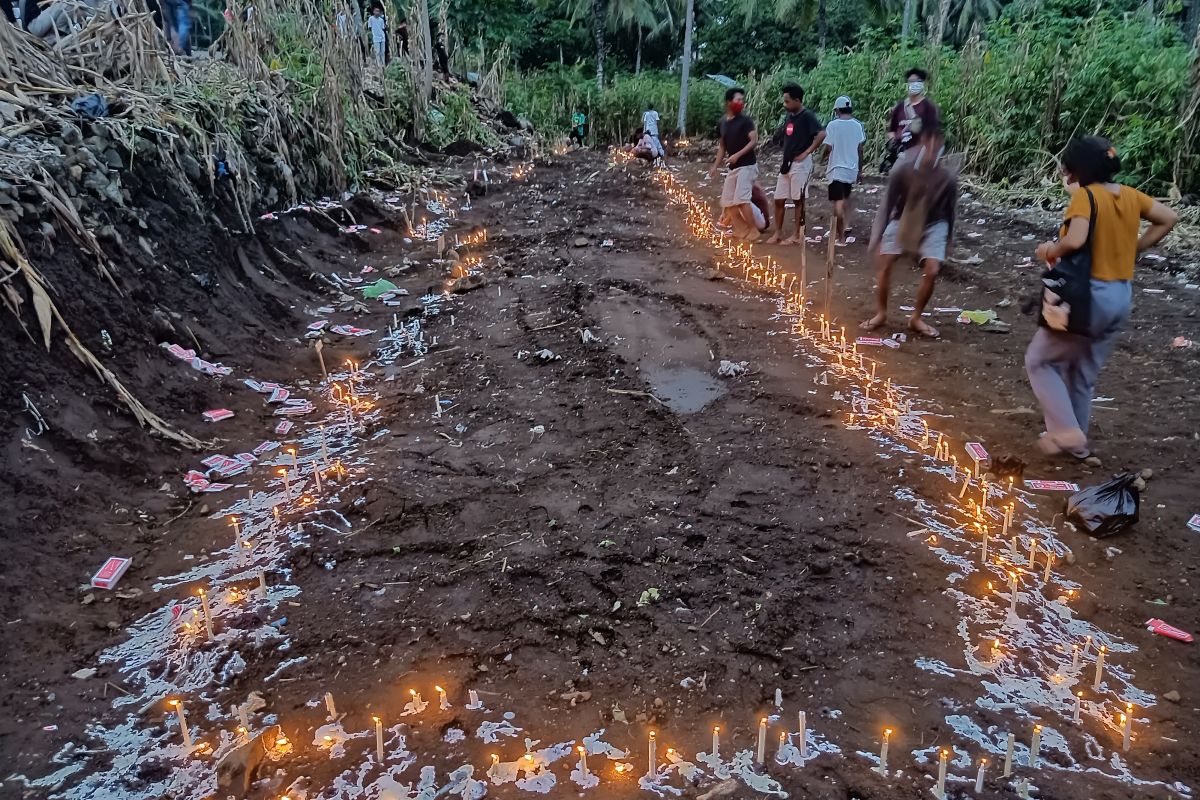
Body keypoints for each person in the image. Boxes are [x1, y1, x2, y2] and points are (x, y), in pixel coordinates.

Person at [1025, 137, 1176, 459]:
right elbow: (1169, 218)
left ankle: (1065, 432)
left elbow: (1076, 238)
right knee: (1082, 372)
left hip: (1087, 296)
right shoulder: (1131, 196)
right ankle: (1075, 441)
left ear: (1078, 169)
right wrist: (1135, 248)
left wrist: (1049, 250)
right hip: (1120, 295)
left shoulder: (1086, 197)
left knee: (1039, 361)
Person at [861, 128, 956, 338]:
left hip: (935, 223)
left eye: (935, 144)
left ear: (940, 146)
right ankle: (881, 313)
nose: (931, 149)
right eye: (927, 143)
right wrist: (877, 238)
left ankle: (916, 317)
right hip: (903, 217)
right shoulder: (902, 172)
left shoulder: (947, 179)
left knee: (932, 270)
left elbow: (950, 212)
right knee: (885, 264)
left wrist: (948, 240)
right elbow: (887, 206)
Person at [767, 84, 824, 245]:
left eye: (787, 101)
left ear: (797, 100)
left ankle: (797, 235)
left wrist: (807, 152)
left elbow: (821, 133)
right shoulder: (790, 117)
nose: (785, 105)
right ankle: (777, 232)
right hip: (787, 162)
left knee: (798, 199)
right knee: (779, 199)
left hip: (800, 163)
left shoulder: (807, 116)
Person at [709, 87, 759, 239]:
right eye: (738, 100)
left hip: (747, 165)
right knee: (728, 202)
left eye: (742, 100)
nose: (741, 103)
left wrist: (737, 155)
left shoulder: (745, 121)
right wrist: (715, 166)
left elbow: (754, 140)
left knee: (742, 199)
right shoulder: (723, 123)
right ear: (729, 102)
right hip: (733, 167)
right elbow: (722, 146)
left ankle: (754, 230)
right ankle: (741, 229)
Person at [822, 95, 865, 245]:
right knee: (846, 198)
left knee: (837, 203)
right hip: (851, 169)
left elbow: (828, 147)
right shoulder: (857, 126)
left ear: (838, 110)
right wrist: (860, 171)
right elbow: (860, 150)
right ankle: (844, 227)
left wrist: (822, 158)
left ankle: (840, 237)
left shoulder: (833, 126)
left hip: (837, 168)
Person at [885, 68, 940, 171]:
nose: (914, 84)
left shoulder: (929, 107)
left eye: (917, 81)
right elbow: (892, 129)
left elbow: (932, 134)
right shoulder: (900, 107)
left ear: (923, 84)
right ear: (907, 84)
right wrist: (893, 145)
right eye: (911, 81)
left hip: (918, 154)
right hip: (900, 154)